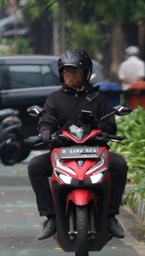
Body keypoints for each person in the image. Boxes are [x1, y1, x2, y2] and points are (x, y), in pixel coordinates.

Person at [28, 49, 128, 241]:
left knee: (120, 165)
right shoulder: (54, 99)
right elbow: (46, 121)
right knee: (35, 166)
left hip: (94, 152)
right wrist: (46, 133)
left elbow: (110, 126)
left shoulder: (98, 99)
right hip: (62, 153)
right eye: (66, 72)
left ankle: (110, 216)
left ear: (85, 73)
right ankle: (51, 217)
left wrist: (97, 126)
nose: (69, 76)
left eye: (74, 72)